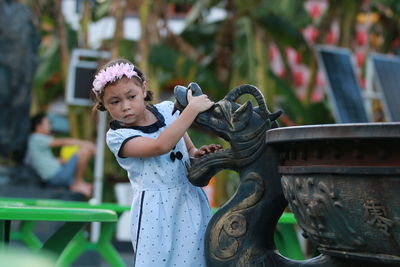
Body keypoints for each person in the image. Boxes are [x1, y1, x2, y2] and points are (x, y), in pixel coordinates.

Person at [92, 58, 221, 266]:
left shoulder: (168, 110)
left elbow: (188, 149)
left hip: (189, 200)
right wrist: (191, 109)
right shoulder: (118, 136)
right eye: (114, 102)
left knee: (196, 260)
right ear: (104, 105)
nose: (125, 106)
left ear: (143, 89)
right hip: (156, 211)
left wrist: (199, 154)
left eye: (131, 96)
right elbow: (160, 146)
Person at [26, 113, 95, 198]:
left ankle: (79, 186)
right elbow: (64, 142)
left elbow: (48, 162)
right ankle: (78, 183)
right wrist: (86, 144)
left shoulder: (34, 141)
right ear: (38, 126)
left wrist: (65, 160)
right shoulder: (36, 137)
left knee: (88, 189)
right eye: (48, 123)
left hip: (56, 177)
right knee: (85, 151)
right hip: (57, 177)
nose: (50, 126)